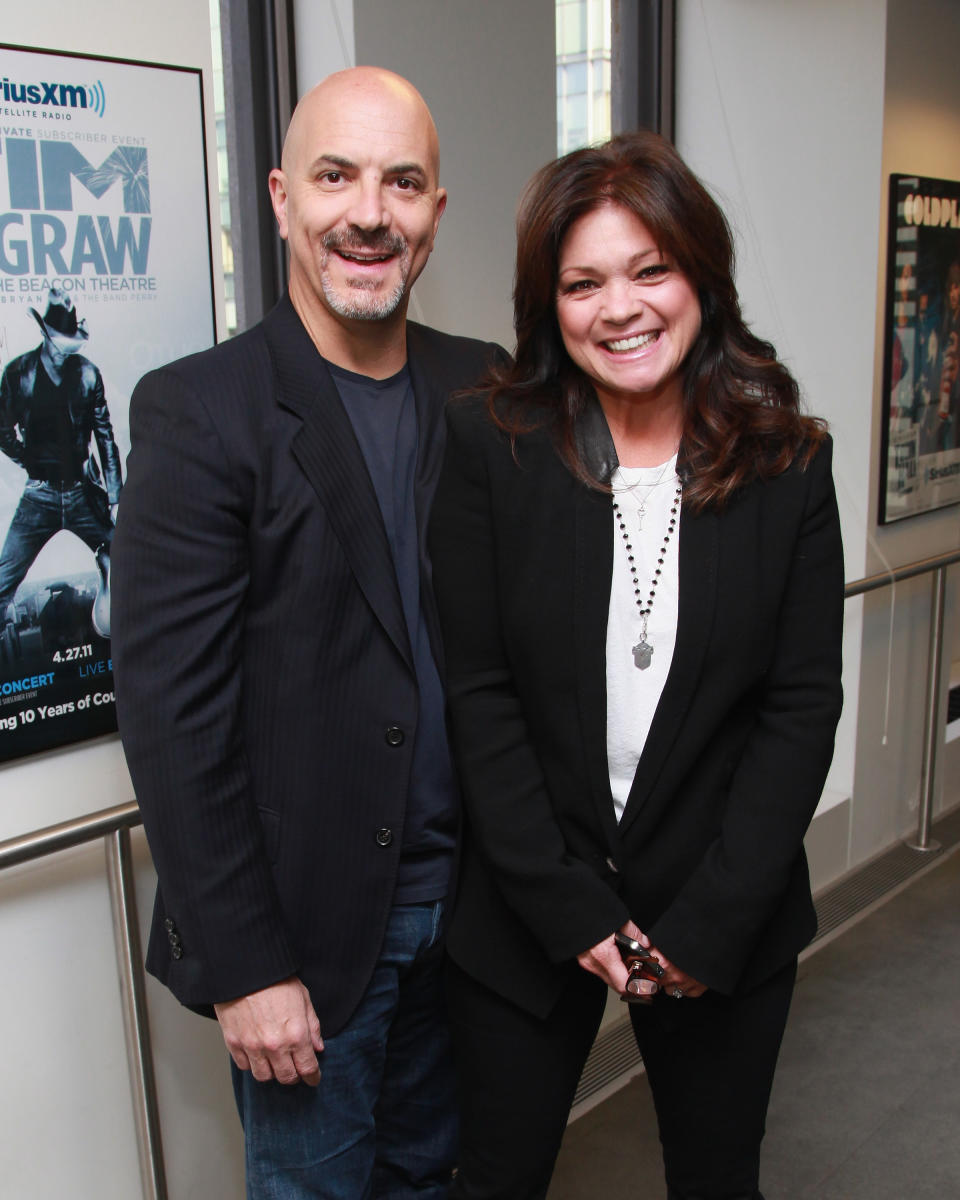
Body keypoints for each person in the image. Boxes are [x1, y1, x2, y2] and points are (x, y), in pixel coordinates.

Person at [429, 131, 845, 1200]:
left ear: (701, 273)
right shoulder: (492, 444)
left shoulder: (789, 462)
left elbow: (799, 707)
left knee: (717, 1181)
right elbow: (478, 691)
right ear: (548, 304)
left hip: (722, 908)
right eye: (583, 283)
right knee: (496, 1178)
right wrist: (562, 903)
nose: (621, 308)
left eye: (650, 268)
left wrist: (713, 920)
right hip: (530, 902)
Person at [111, 67, 503, 1199]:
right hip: (310, 944)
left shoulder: (484, 388)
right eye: (336, 177)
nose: (369, 213)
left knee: (430, 1180)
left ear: (436, 212)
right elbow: (173, 719)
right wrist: (248, 968)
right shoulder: (199, 410)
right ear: (283, 199)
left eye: (403, 183)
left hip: (469, 917)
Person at [0, 287, 120, 634]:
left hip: (83, 491)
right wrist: (31, 461)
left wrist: (115, 495)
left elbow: (105, 436)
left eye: (70, 345)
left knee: (130, 559)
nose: (63, 354)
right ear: (45, 336)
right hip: (40, 495)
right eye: (59, 344)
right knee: (5, 577)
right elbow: (2, 429)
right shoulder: (17, 373)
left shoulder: (87, 374)